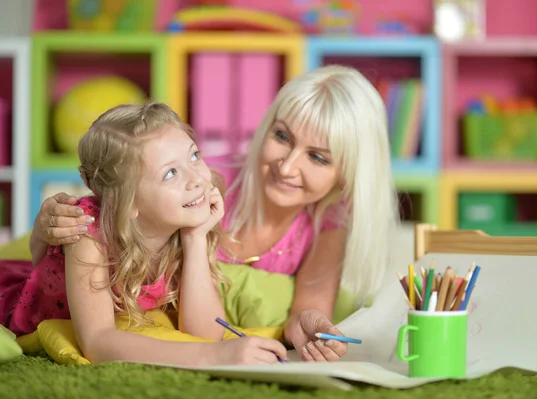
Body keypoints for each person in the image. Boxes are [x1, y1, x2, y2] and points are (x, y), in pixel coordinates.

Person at [29, 65, 401, 362]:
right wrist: (47, 222)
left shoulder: (328, 219)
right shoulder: (201, 184)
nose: (287, 167)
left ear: (348, 174)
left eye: (318, 157)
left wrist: (310, 325)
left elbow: (304, 309)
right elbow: (121, 191)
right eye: (282, 137)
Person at [0, 102, 288, 366]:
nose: (197, 178)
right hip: (16, 304)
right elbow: (98, 343)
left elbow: (206, 331)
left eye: (194, 155)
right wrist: (218, 356)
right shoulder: (90, 235)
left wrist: (196, 238)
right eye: (171, 173)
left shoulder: (185, 220)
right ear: (129, 204)